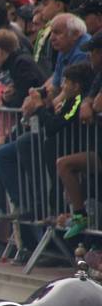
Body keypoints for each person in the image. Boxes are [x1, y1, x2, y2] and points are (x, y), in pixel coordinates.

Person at [52, 62, 96, 238]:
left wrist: (43, 110)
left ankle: (80, 216)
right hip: (86, 149)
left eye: (66, 82)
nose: (63, 86)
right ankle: (75, 215)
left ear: (76, 86)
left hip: (95, 151)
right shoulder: (75, 100)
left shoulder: (78, 100)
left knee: (63, 164)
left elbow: (57, 124)